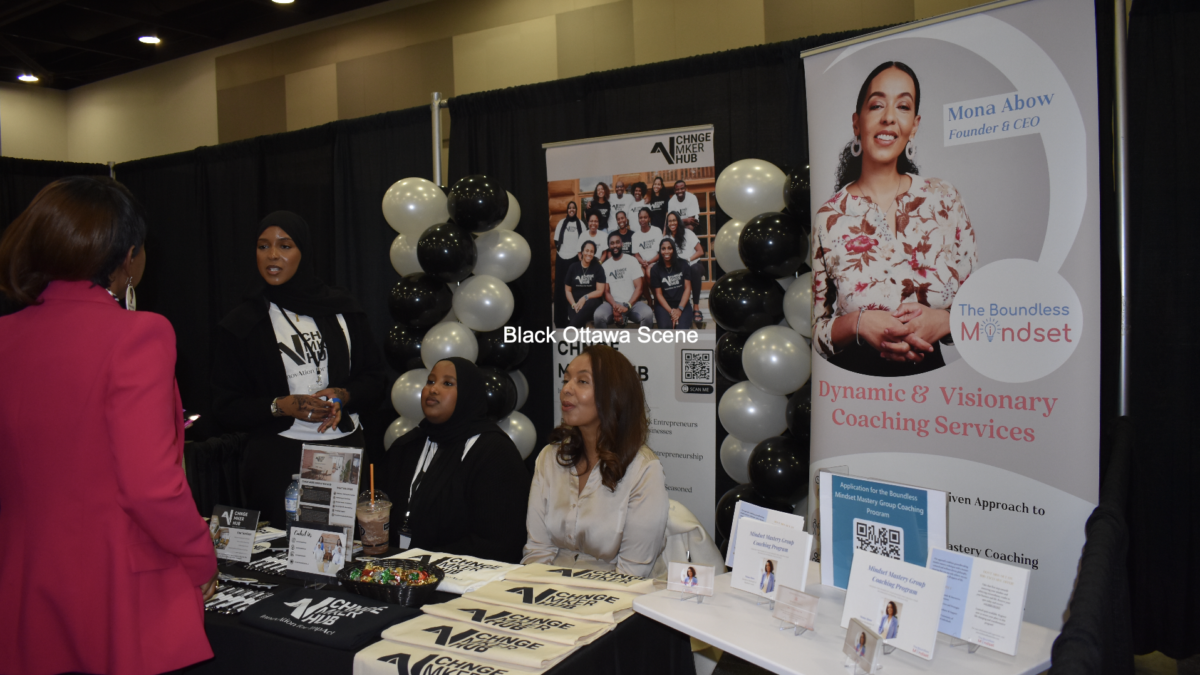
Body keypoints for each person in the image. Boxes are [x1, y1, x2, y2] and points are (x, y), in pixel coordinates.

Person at [0, 176, 218, 675]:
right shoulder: (140, 335)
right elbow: (151, 487)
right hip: (115, 588)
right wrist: (201, 557)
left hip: (24, 582)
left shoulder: (5, 337)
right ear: (130, 256)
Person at [212, 211, 386, 529]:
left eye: (285, 245)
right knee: (284, 556)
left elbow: (375, 379)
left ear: (303, 252)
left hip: (342, 448)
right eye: (263, 246)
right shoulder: (243, 323)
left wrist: (343, 395)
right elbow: (226, 407)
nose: (273, 255)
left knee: (340, 552)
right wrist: (280, 406)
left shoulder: (342, 309)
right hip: (278, 456)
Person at [812, 61, 978, 376]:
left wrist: (943, 320)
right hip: (854, 390)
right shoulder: (829, 216)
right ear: (856, 122)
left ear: (914, 125)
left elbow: (981, 309)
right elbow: (817, 335)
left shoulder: (944, 199)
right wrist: (858, 323)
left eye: (902, 106)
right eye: (876, 105)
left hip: (937, 385)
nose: (889, 117)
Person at [524, 345, 669, 577]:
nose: (566, 391)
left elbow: (632, 573)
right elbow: (537, 550)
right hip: (549, 591)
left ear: (613, 394)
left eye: (582, 382)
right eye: (566, 380)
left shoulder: (643, 469)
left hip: (613, 597)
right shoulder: (550, 458)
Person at [383, 357, 530, 563]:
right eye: (430, 381)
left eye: (448, 383)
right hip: (395, 569)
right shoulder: (406, 446)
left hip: (463, 578)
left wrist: (424, 563)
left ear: (469, 394)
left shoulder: (494, 452)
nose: (433, 390)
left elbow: (500, 543)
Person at [595, 231, 653, 329]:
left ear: (622, 244)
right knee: (598, 316)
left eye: (617, 242)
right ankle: (603, 343)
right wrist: (615, 307)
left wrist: (628, 305)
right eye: (612, 243)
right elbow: (606, 291)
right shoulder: (605, 266)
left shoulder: (632, 260)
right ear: (609, 246)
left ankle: (643, 344)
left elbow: (639, 287)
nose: (615, 245)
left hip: (632, 304)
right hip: (612, 304)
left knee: (647, 314)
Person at [665, 211, 705, 324]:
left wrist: (687, 260)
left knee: (694, 269)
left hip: (694, 264)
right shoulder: (667, 238)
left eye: (674, 220)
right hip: (679, 268)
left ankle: (696, 306)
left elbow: (700, 251)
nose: (672, 223)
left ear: (678, 221)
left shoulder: (687, 233)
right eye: (669, 221)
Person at [552, 200, 584, 327]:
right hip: (561, 258)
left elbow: (583, 241)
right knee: (560, 289)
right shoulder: (561, 223)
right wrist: (563, 252)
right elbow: (555, 241)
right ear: (567, 210)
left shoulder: (581, 224)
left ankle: (574, 319)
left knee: (574, 289)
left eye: (574, 208)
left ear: (576, 210)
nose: (571, 210)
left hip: (575, 259)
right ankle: (560, 321)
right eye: (569, 208)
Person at [650, 238, 693, 329]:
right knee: (666, 328)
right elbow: (658, 294)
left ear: (673, 249)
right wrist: (672, 312)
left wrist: (680, 309)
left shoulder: (683, 264)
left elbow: (687, 288)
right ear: (660, 251)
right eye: (663, 248)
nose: (666, 251)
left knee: (681, 330)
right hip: (663, 305)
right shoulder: (655, 269)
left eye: (669, 248)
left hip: (681, 303)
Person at [564, 240, 607, 329]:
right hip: (575, 302)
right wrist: (573, 305)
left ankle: (569, 329)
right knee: (577, 317)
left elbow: (600, 291)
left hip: (592, 301)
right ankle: (573, 328)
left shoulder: (598, 268)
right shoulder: (573, 267)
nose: (589, 253)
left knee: (588, 306)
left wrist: (585, 298)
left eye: (592, 252)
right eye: (587, 251)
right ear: (582, 251)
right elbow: (568, 290)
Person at [630, 207, 662, 304]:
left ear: (649, 219)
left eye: (645, 217)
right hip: (643, 263)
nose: (642, 220)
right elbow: (636, 254)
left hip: (656, 261)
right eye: (640, 218)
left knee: (649, 271)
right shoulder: (635, 236)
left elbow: (661, 253)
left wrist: (650, 262)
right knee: (641, 274)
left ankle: (657, 298)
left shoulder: (656, 231)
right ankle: (649, 299)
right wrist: (642, 262)